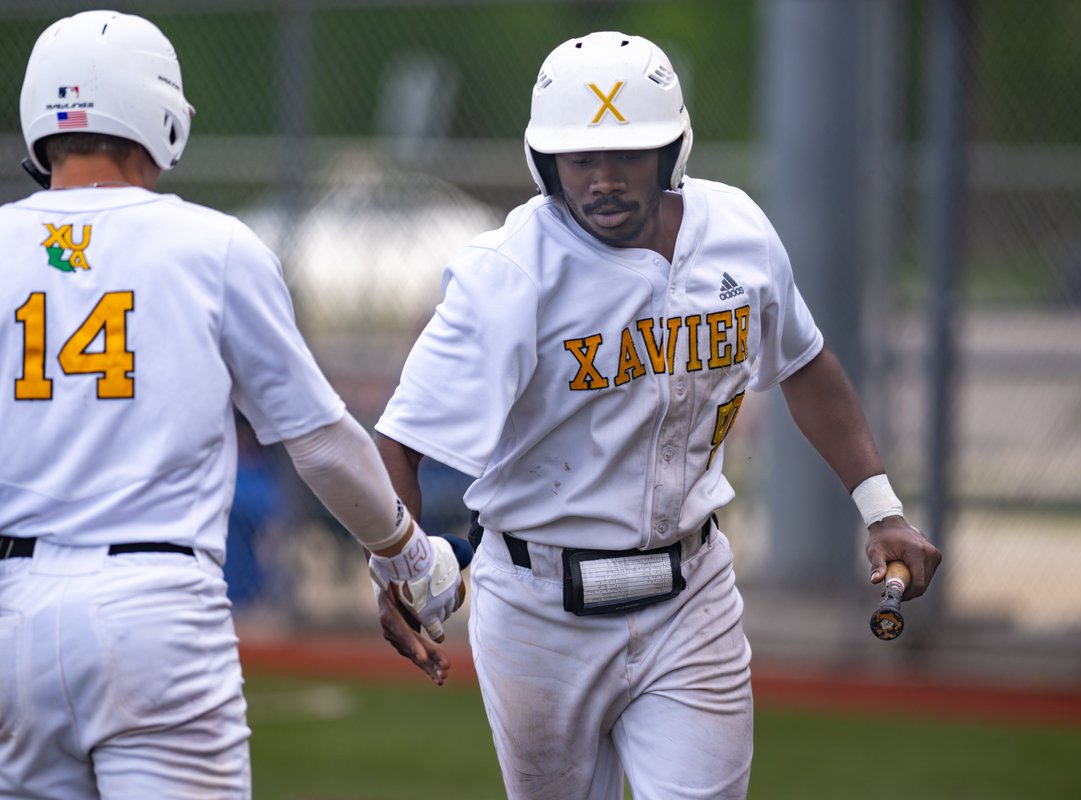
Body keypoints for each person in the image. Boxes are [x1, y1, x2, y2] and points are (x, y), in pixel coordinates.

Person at [372, 31, 943, 800]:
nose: (603, 179)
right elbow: (399, 439)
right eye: (580, 159)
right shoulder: (507, 272)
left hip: (690, 591)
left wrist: (881, 507)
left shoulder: (737, 231)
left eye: (628, 155)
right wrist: (400, 568)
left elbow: (805, 362)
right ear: (545, 164)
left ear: (674, 149)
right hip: (540, 609)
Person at [0, 11, 464, 799]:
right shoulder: (211, 247)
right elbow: (322, 441)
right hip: (154, 609)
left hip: (3, 618)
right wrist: (404, 553)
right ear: (156, 113)